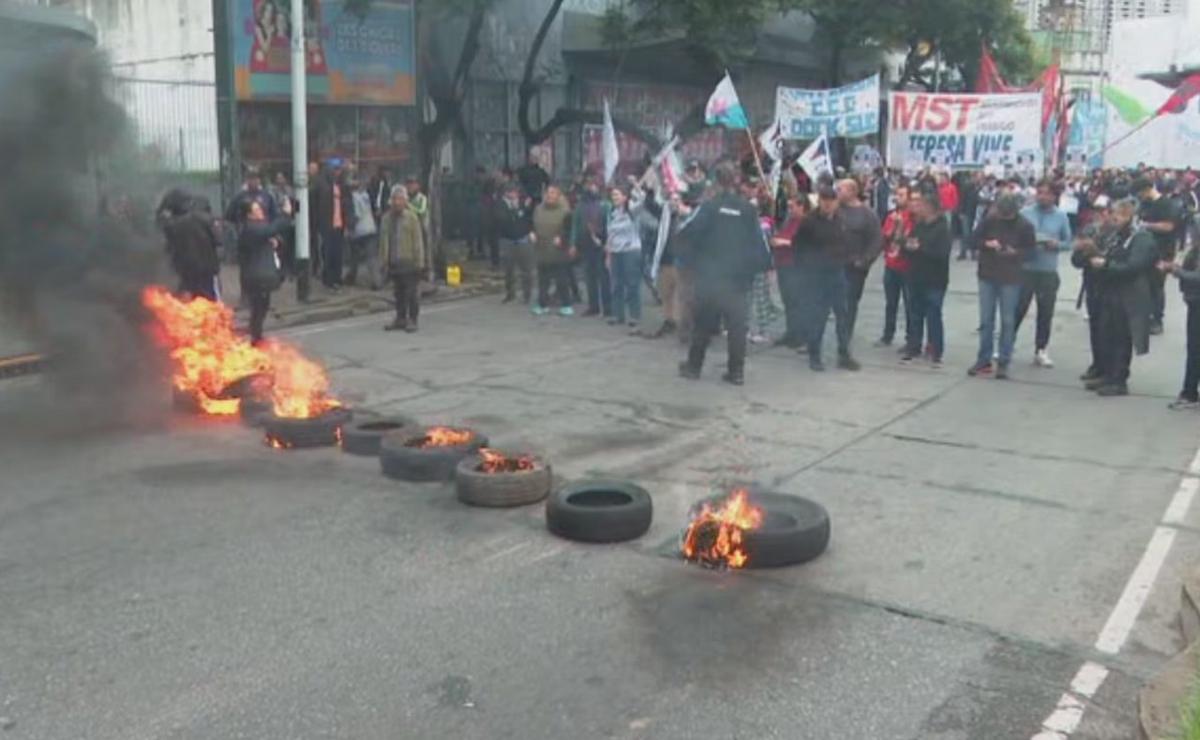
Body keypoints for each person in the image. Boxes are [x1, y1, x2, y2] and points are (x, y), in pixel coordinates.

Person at [677, 162, 771, 386]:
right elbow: (760, 244)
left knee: (703, 326)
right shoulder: (748, 210)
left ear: (716, 182)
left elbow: (687, 233)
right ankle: (736, 372)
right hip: (737, 281)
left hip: (710, 278)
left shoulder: (709, 207)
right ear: (736, 181)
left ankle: (693, 367)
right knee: (738, 328)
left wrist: (691, 261)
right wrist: (757, 268)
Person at [1089, 198, 1155, 396]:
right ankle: (1107, 375)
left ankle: (1119, 380)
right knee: (1106, 334)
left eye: (1116, 215)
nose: (1112, 218)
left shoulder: (1141, 238)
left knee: (1121, 338)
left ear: (1127, 216)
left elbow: (1135, 266)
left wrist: (1106, 265)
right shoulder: (1118, 236)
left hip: (1129, 294)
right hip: (1112, 291)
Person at [969, 194, 1036, 380]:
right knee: (986, 320)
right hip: (988, 274)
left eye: (1007, 215)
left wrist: (1016, 253)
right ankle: (984, 359)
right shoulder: (989, 221)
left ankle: (1004, 360)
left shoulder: (1025, 226)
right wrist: (986, 244)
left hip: (1011, 277)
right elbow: (973, 240)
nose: (1003, 217)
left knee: (1007, 321)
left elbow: (1031, 252)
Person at [794, 186, 860, 372]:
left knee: (843, 315)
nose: (828, 204)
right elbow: (798, 247)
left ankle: (844, 354)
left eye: (831, 201)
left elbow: (845, 243)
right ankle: (814, 355)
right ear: (820, 201)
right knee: (818, 317)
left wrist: (848, 258)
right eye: (824, 200)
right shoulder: (810, 222)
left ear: (837, 202)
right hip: (817, 276)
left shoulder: (840, 220)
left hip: (837, 274)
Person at [1014, 180, 1072, 368]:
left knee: (1045, 312)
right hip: (1025, 269)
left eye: (1047, 193)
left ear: (1054, 196)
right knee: (1017, 309)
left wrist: (1057, 245)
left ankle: (1041, 349)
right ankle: (1007, 344)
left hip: (1047, 270)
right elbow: (1014, 237)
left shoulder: (1061, 216)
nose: (1042, 197)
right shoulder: (1025, 213)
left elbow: (1068, 242)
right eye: (1040, 193)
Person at [902, 190, 952, 366]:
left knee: (933, 314)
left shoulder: (942, 228)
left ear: (931, 208)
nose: (918, 208)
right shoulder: (918, 225)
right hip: (915, 275)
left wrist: (920, 248)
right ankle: (913, 346)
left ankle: (936, 349)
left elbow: (941, 253)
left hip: (935, 278)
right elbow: (907, 243)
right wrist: (907, 245)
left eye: (922, 205)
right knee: (914, 313)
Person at [1072, 198, 1114, 386]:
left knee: (1109, 330)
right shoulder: (1089, 230)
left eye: (1104, 211)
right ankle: (1097, 364)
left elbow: (1115, 257)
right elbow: (1076, 260)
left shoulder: (1117, 232)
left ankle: (1109, 368)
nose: (1100, 214)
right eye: (1097, 211)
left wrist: (1094, 250)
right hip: (1092, 284)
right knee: (1095, 328)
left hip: (1111, 284)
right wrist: (1084, 253)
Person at [837, 178, 883, 346]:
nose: (837, 192)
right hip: (834, 265)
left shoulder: (867, 214)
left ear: (852, 191)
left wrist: (864, 261)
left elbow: (877, 241)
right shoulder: (835, 210)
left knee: (849, 303)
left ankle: (845, 338)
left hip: (854, 269)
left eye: (840, 189)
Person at [1133, 177, 1181, 335]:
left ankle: (1157, 319)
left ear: (1148, 189)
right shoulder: (1145, 205)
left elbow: (1168, 226)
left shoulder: (1167, 204)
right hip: (1145, 250)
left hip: (1163, 250)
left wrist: (1146, 226)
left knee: (1157, 286)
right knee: (1143, 285)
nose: (1140, 197)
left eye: (1141, 193)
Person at [238, 200, 289, 343]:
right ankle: (255, 336)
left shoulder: (257, 228)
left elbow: (272, 236)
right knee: (258, 308)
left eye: (260, 208)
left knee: (262, 307)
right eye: (256, 209)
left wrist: (276, 242)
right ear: (249, 215)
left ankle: (256, 334)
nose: (260, 211)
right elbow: (270, 230)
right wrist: (285, 214)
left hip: (261, 275)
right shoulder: (250, 228)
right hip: (256, 276)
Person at [377, 186, 426, 333]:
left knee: (411, 293)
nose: (397, 203)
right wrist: (383, 262)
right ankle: (400, 318)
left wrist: (420, 262)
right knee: (398, 293)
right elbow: (383, 241)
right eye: (394, 199)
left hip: (409, 261)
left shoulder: (412, 218)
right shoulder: (386, 219)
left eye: (400, 199)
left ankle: (413, 319)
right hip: (393, 261)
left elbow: (418, 241)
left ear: (405, 201)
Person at [159, 190, 221, 301]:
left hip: (184, 270)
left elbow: (167, 248)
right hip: (207, 267)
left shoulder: (170, 225)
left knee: (188, 299)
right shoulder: (205, 219)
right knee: (210, 300)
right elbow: (219, 240)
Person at [1164, 241, 1200, 409]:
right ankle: (1189, 391)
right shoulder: (1194, 250)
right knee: (1194, 349)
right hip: (1194, 303)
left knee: (1195, 350)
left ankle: (1190, 392)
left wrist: (1177, 271)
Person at [771, 195, 810, 349]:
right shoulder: (790, 221)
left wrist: (785, 242)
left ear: (802, 207)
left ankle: (800, 334)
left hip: (796, 266)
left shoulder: (806, 223)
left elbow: (805, 244)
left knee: (797, 301)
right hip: (783, 264)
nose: (790, 210)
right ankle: (791, 332)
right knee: (788, 301)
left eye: (793, 206)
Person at [570, 176, 611, 318]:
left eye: (594, 185)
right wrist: (573, 244)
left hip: (602, 244)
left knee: (604, 277)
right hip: (585, 245)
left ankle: (608, 307)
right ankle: (593, 306)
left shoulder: (605, 205)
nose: (591, 187)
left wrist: (608, 243)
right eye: (589, 185)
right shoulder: (580, 206)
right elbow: (575, 226)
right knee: (590, 277)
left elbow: (610, 226)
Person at [531, 183, 574, 316]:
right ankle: (542, 304)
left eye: (553, 193)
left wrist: (562, 238)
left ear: (559, 196)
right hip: (542, 249)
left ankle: (566, 305)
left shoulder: (565, 211)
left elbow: (570, 230)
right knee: (543, 280)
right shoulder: (538, 209)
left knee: (561, 280)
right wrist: (532, 233)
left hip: (558, 251)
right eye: (548, 193)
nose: (550, 196)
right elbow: (532, 223)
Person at [605, 185, 645, 330]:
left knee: (632, 284)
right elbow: (609, 234)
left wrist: (637, 188)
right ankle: (617, 314)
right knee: (616, 284)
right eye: (613, 195)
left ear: (624, 197)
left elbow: (642, 201)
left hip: (630, 251)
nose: (615, 198)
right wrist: (608, 254)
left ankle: (634, 315)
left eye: (618, 195)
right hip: (615, 251)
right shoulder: (611, 212)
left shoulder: (632, 210)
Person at [879, 183, 913, 349]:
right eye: (896, 195)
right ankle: (887, 334)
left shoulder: (912, 217)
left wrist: (900, 226)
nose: (897, 198)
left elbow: (909, 239)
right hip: (891, 264)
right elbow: (884, 237)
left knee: (909, 305)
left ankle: (910, 338)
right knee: (890, 302)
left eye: (901, 195)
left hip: (906, 267)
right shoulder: (891, 216)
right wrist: (893, 228)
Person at [314, 163, 354, 290]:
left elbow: (349, 205)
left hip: (339, 224)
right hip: (326, 224)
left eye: (339, 170)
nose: (337, 173)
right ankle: (328, 278)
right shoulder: (321, 185)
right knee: (328, 252)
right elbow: (314, 203)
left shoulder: (344, 187)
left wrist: (349, 222)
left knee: (338, 252)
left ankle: (337, 277)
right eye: (335, 170)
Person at [494, 182, 535, 304]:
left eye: (516, 192)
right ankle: (510, 293)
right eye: (512, 192)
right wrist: (517, 210)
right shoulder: (500, 205)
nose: (515, 195)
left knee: (526, 270)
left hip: (523, 238)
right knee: (509, 269)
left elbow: (529, 219)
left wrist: (531, 231)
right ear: (507, 193)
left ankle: (527, 294)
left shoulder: (523, 203)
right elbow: (503, 220)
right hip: (507, 240)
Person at [346, 174, 379, 289]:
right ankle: (376, 280)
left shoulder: (354, 197)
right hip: (371, 228)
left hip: (359, 231)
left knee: (354, 256)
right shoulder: (365, 195)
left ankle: (352, 277)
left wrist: (349, 229)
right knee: (371, 257)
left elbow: (356, 215)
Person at [405, 176, 432, 278]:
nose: (410, 186)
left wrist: (408, 206)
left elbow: (421, 210)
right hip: (408, 229)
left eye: (413, 184)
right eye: (408, 184)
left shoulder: (422, 198)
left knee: (422, 251)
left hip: (421, 228)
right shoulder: (405, 197)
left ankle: (425, 272)